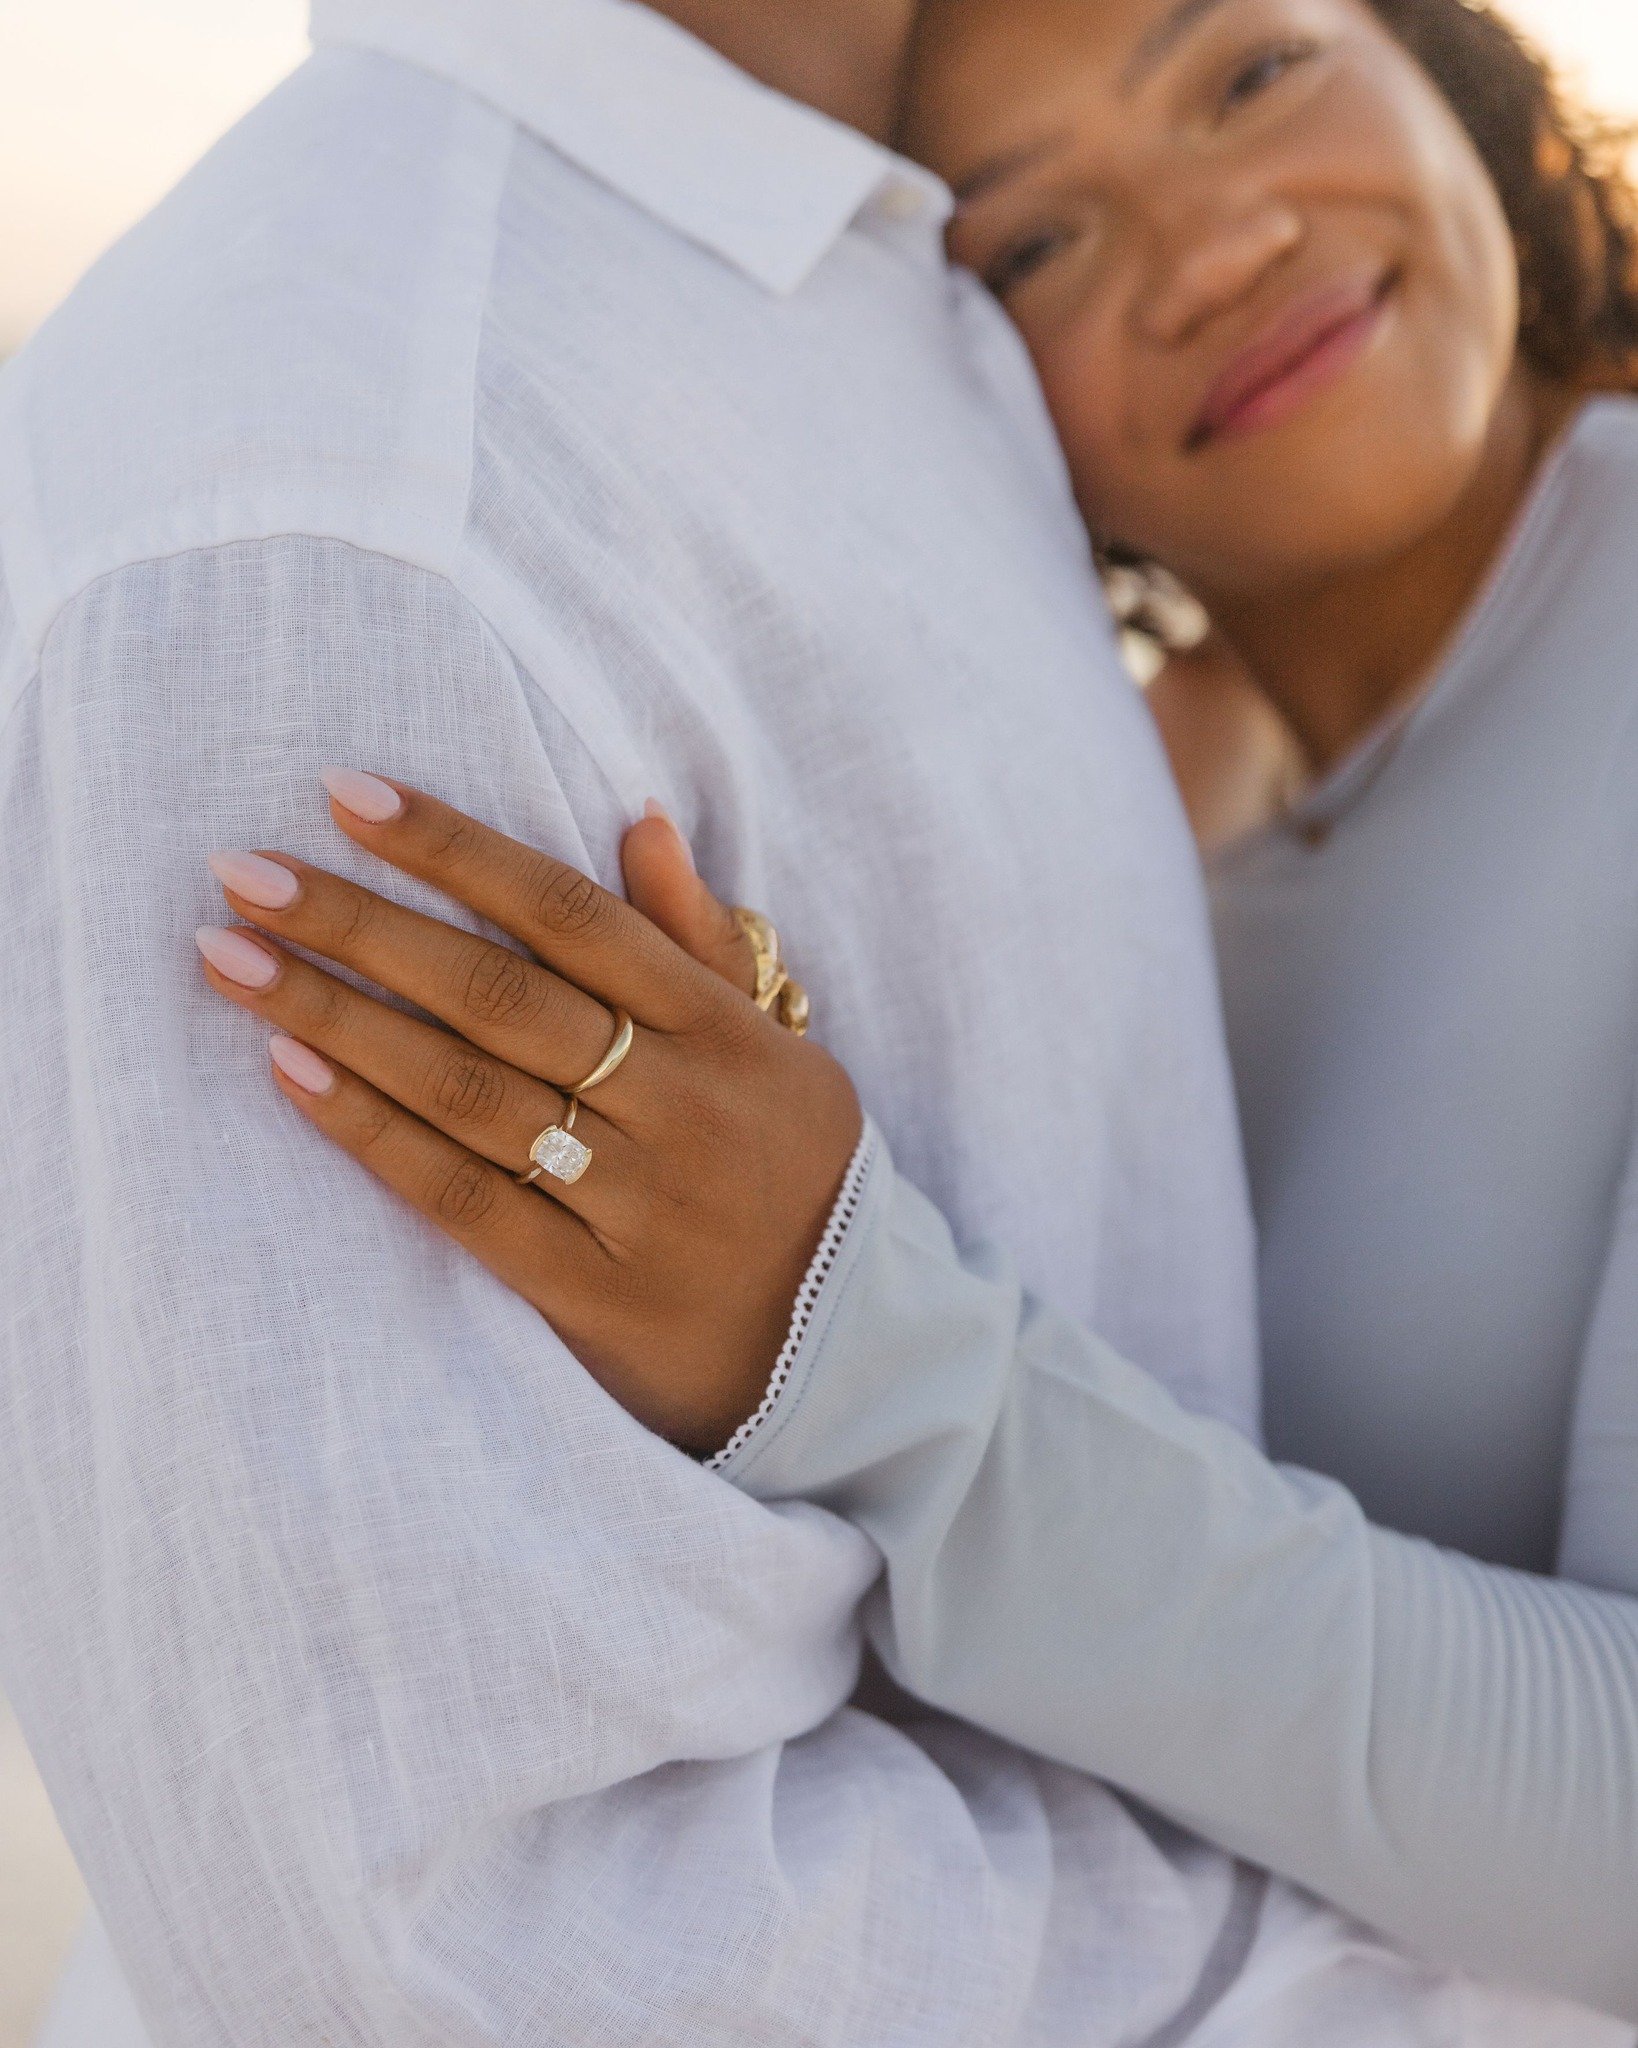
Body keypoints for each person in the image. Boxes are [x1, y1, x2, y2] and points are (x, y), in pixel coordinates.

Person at [0, 0, 1549, 2043]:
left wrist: (849, 1337)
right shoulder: (355, 501)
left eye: (1253, 70)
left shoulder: (840, 285)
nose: (1211, 253)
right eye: (1040, 239)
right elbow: (438, 1937)